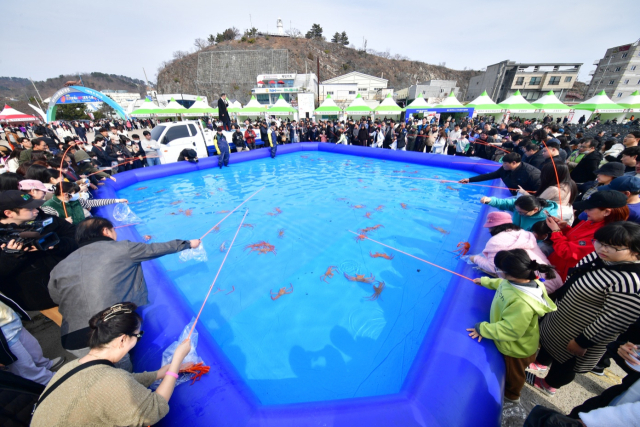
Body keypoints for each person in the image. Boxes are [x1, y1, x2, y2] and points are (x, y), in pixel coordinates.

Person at [48, 217, 200, 367]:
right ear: (106, 231)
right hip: (107, 334)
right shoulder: (122, 248)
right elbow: (156, 249)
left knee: (98, 373)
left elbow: (55, 296)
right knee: (122, 375)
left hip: (72, 339)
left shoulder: (61, 266)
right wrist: (188, 244)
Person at [30, 302, 192, 427]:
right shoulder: (111, 382)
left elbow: (122, 384)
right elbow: (154, 409)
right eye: (138, 335)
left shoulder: (73, 366)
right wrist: (177, 360)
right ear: (122, 340)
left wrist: (159, 374)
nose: (137, 339)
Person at [527, 222, 640, 396]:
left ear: (636, 252)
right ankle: (541, 362)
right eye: (600, 242)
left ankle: (548, 384)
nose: (603, 248)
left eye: (613, 247)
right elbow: (573, 279)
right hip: (563, 316)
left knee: (565, 363)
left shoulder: (630, 283)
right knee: (550, 345)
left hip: (581, 332)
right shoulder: (600, 258)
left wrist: (583, 342)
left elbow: (613, 319)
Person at [467, 249, 557, 404]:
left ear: (509, 273)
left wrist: (483, 329)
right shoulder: (518, 281)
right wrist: (486, 281)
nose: (497, 272)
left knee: (514, 375)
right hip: (515, 340)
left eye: (498, 270)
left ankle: (512, 397)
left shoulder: (522, 303)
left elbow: (511, 330)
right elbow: (503, 284)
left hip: (516, 349)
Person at [0, 191, 77, 325]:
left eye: (36, 206)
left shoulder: (47, 220)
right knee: (76, 326)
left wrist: (57, 244)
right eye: (29, 208)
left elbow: (76, 236)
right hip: (43, 296)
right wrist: (11, 255)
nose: (36, 210)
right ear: (8, 213)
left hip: (73, 281)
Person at [546, 190, 629, 282]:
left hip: (562, 277)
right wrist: (565, 228)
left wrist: (556, 231)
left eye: (590, 209)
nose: (585, 211)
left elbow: (568, 253)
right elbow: (575, 239)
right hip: (555, 268)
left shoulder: (606, 236)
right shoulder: (592, 221)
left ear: (606, 212)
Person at [468, 212, 564, 291]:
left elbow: (493, 267)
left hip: (536, 290)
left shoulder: (495, 242)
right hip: (556, 280)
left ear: (492, 228)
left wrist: (475, 258)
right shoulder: (524, 233)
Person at [0, 296, 66, 385]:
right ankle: (51, 382)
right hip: (3, 339)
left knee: (33, 348)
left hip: (10, 321)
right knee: (24, 367)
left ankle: (43, 364)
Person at [41, 181, 126, 224]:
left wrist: (117, 200)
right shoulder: (49, 206)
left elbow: (93, 203)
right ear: (65, 194)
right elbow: (47, 223)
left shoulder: (74, 200)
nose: (78, 195)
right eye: (75, 193)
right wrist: (63, 221)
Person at [460, 152, 541, 195]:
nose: (503, 165)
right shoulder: (505, 169)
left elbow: (540, 192)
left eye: (505, 163)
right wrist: (469, 180)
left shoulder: (531, 174)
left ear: (514, 163)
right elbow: (490, 175)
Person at [480, 195, 560, 231]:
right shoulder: (520, 205)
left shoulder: (547, 219)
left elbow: (538, 237)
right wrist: (490, 200)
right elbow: (504, 203)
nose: (518, 213)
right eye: (517, 211)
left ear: (535, 210)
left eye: (521, 213)